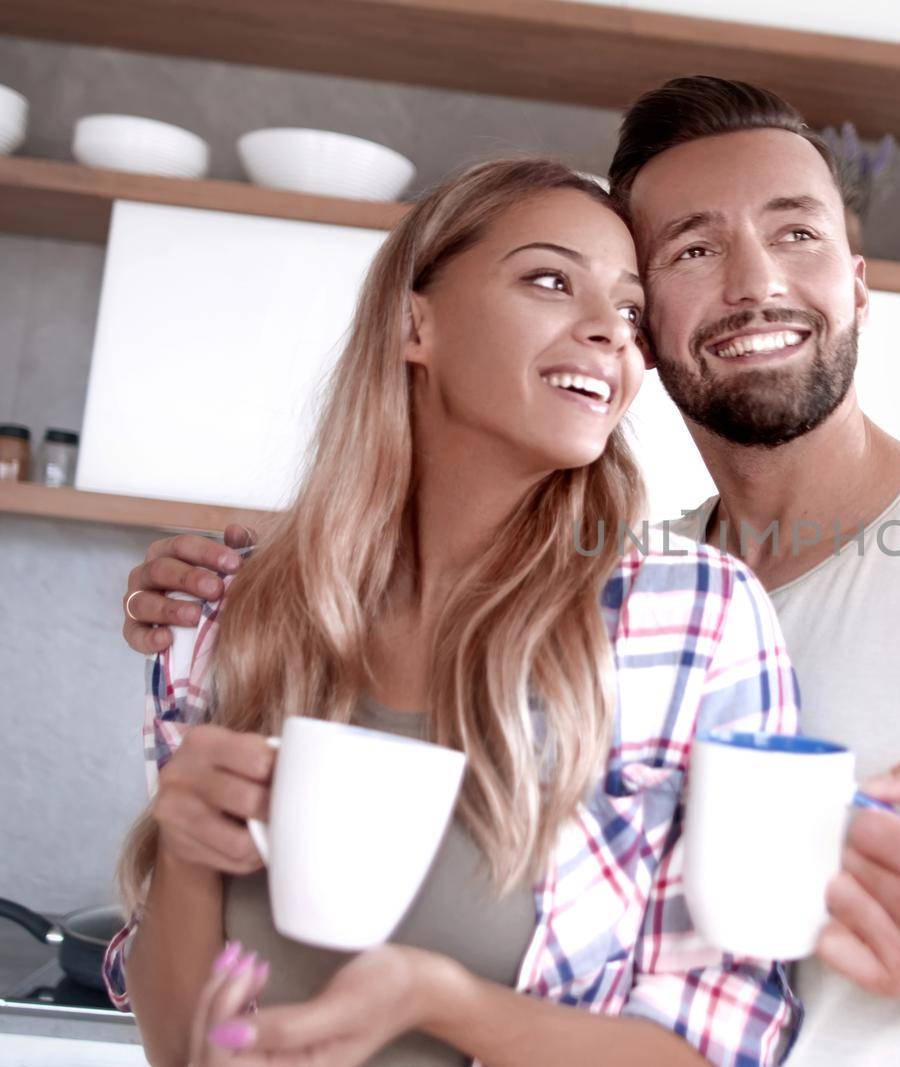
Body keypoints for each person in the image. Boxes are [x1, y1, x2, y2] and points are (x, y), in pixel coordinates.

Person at [124, 78, 900, 1066]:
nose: (752, 282)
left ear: (859, 281)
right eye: (691, 250)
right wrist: (238, 602)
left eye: (797, 231)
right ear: (650, 329)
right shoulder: (640, 592)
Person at [106, 156, 800, 1067]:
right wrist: (188, 854)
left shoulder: (689, 619)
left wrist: (443, 1003)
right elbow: (178, 1048)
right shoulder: (224, 612)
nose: (611, 336)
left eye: (631, 313)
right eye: (552, 281)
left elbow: (729, 1044)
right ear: (414, 323)